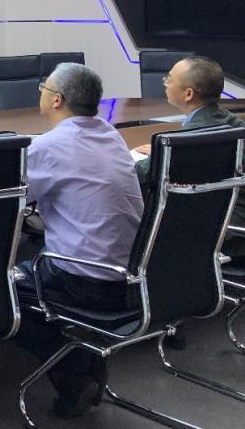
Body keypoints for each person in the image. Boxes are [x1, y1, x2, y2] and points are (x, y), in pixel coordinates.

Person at [14, 63, 144, 418]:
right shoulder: (110, 134)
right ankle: (88, 358)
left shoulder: (51, 146)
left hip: (86, 281)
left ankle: (72, 373)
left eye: (43, 87)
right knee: (35, 255)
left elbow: (9, 199)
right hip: (133, 277)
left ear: (57, 99)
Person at [134, 56, 245, 239]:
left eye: (169, 79)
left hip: (222, 226)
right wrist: (160, 153)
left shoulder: (190, 139)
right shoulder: (231, 123)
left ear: (188, 94)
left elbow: (139, 175)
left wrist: (160, 155)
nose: (165, 83)